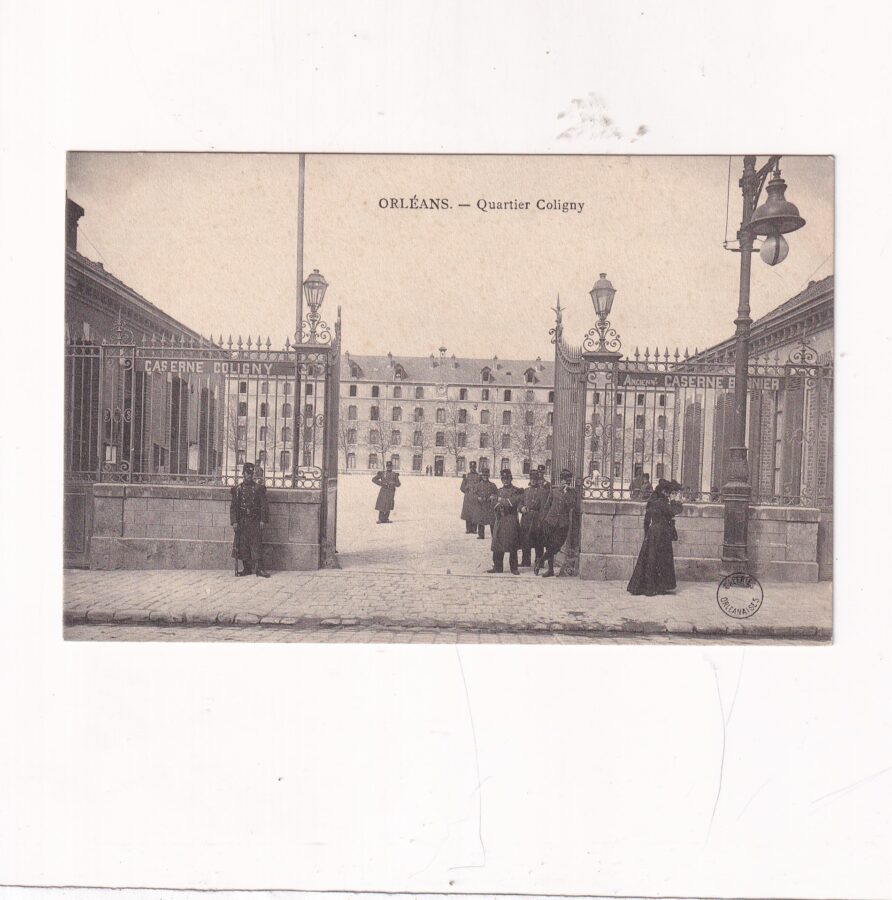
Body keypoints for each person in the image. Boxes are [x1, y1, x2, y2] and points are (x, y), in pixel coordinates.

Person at [627, 478, 683, 596]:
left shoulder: (652, 501)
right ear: (664, 492)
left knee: (651, 558)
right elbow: (674, 511)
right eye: (669, 492)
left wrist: (647, 534)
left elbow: (646, 520)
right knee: (662, 558)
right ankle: (658, 586)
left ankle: (649, 586)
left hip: (653, 532)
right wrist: (675, 501)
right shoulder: (662, 502)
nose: (669, 495)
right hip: (662, 532)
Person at [230, 462, 270, 577]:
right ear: (243, 474)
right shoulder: (237, 489)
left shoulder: (258, 488)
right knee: (243, 545)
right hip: (242, 521)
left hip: (255, 520)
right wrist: (234, 522)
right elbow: (233, 507)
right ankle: (246, 568)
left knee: (256, 544)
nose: (249, 475)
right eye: (247, 473)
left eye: (251, 473)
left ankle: (259, 569)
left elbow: (264, 506)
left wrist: (262, 520)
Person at [538, 468, 578, 577]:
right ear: (561, 480)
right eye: (565, 480)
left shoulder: (572, 492)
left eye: (568, 480)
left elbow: (571, 506)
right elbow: (547, 506)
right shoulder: (554, 491)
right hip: (550, 522)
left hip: (563, 524)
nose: (566, 482)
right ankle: (550, 570)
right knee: (549, 545)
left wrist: (565, 494)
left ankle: (541, 560)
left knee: (557, 546)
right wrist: (542, 520)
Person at [487, 468, 525, 574]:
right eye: (503, 479)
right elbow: (493, 503)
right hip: (500, 520)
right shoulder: (499, 491)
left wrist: (500, 500)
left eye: (507, 478)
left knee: (512, 545)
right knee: (497, 545)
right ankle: (497, 567)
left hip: (511, 520)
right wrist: (497, 503)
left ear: (511, 478)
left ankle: (514, 568)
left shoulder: (516, 491)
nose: (505, 481)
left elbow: (514, 502)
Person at [519, 469, 547, 568]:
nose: (533, 481)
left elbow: (543, 508)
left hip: (536, 519)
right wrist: (521, 508)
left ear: (538, 480)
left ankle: (539, 562)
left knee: (538, 541)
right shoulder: (526, 491)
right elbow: (520, 503)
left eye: (535, 479)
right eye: (532, 479)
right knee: (525, 540)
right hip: (526, 518)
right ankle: (525, 561)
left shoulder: (542, 491)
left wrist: (541, 521)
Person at [460, 461, 481, 534]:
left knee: (475, 513)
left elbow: (481, 487)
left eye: (474, 467)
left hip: (475, 497)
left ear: (476, 467)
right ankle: (468, 529)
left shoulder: (479, 476)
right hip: (468, 498)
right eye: (471, 467)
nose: (473, 469)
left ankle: (474, 529)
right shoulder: (466, 476)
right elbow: (462, 487)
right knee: (468, 513)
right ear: (469, 468)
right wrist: (467, 491)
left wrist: (478, 493)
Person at [475, 469, 497, 539]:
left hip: (490, 506)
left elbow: (497, 493)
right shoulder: (478, 485)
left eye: (486, 475)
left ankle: (494, 535)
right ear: (482, 476)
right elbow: (474, 494)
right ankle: (481, 535)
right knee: (481, 520)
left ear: (489, 476)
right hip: (481, 505)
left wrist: (493, 496)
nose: (485, 477)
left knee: (492, 521)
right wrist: (477, 497)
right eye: (484, 475)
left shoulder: (492, 485)